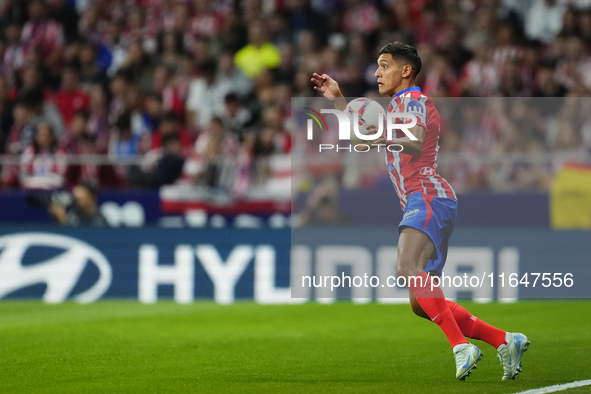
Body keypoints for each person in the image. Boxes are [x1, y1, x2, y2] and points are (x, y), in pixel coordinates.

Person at [311, 41, 530, 381]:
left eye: (384, 65)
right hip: (426, 200)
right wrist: (340, 102)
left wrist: (373, 126)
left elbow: (411, 140)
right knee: (420, 302)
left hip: (427, 195)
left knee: (406, 266)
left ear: (406, 70)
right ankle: (505, 340)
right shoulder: (398, 108)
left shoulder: (413, 100)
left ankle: (460, 346)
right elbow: (361, 140)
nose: (377, 72)